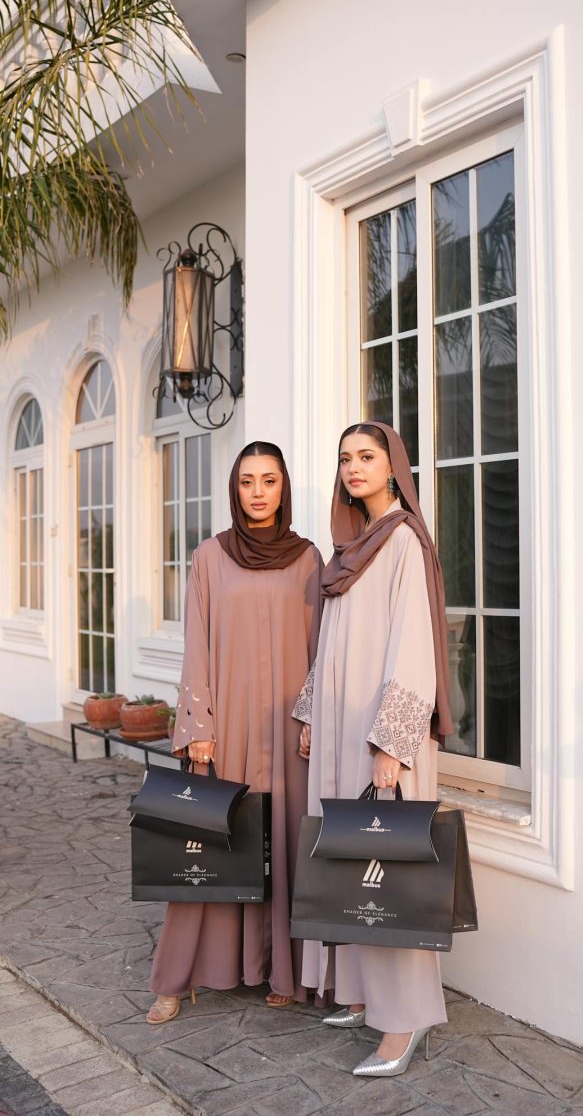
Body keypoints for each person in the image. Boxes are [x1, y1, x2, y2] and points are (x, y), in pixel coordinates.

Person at [293, 421, 453, 1077]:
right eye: (344, 459)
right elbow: (331, 641)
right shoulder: (351, 548)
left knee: (389, 876)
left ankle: (405, 1019)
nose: (354, 468)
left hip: (381, 737)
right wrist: (311, 710)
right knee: (351, 867)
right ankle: (363, 995)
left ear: (393, 467)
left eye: (366, 456)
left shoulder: (403, 541)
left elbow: (413, 647)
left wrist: (392, 744)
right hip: (341, 730)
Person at [146, 441, 323, 1023]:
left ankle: (281, 969)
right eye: (247, 481)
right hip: (227, 728)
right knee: (209, 846)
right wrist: (198, 726)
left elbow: (321, 649)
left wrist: (311, 716)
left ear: (283, 487)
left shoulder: (307, 558)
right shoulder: (209, 556)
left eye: (269, 480)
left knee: (285, 844)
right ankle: (178, 976)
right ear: (234, 489)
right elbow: (196, 644)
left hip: (288, 730)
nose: (258, 492)